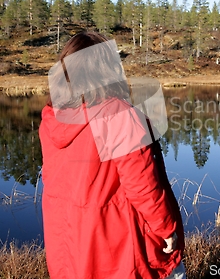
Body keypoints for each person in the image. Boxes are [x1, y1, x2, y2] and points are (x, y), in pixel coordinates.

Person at [39, 31, 186, 279]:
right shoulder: (118, 115)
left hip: (71, 247)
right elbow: (142, 186)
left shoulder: (52, 118)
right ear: (107, 69)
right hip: (117, 247)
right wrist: (165, 228)